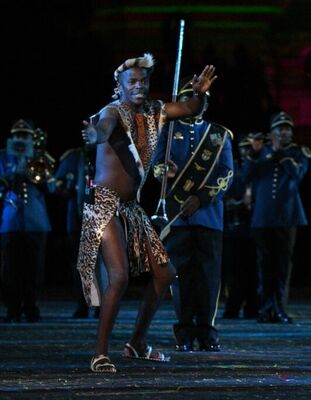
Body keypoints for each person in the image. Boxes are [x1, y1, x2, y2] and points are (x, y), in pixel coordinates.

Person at [79, 53, 217, 373]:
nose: (139, 86)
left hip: (131, 207)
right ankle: (100, 353)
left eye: (143, 81)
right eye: (133, 82)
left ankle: (137, 343)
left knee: (166, 274)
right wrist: (94, 134)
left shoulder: (156, 111)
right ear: (120, 86)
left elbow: (190, 109)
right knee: (120, 276)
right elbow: (102, 130)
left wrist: (199, 92)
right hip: (103, 204)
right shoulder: (112, 112)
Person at [153, 85, 233, 352]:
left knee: (209, 277)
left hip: (208, 216)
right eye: (189, 98)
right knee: (180, 278)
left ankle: (207, 330)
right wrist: (163, 170)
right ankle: (184, 330)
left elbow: (226, 175)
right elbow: (154, 166)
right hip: (177, 218)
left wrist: (200, 198)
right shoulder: (169, 130)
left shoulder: (219, 135)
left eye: (201, 98)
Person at [241, 112, 310, 323]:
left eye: (287, 128)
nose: (284, 132)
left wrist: (280, 153)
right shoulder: (261, 153)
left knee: (282, 266)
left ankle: (279, 308)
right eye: (279, 129)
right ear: (272, 133)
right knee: (264, 265)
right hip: (263, 217)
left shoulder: (298, 153)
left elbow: (296, 175)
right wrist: (254, 153)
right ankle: (265, 308)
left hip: (287, 216)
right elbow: (245, 177)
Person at [0, 120, 54, 323]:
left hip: (36, 221)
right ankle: (12, 308)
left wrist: (37, 170)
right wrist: (12, 172)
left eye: (26, 136)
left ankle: (31, 306)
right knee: (10, 269)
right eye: (18, 136)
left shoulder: (41, 158)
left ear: (32, 139)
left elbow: (52, 189)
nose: (21, 139)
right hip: (10, 221)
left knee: (35, 268)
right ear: (11, 138)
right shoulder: (3, 157)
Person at [54, 144, 98, 318]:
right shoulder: (72, 156)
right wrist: (65, 187)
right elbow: (57, 182)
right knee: (81, 264)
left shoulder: (105, 152)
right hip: (77, 217)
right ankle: (84, 304)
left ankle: (100, 304)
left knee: (99, 264)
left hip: (100, 216)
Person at [221, 136, 258, 320]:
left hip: (253, 227)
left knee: (253, 271)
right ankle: (232, 308)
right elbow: (225, 194)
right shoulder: (232, 167)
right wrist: (238, 202)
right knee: (234, 272)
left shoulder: (255, 165)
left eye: (249, 149)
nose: (246, 152)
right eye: (244, 148)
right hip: (234, 227)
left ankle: (252, 307)